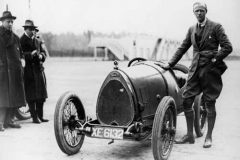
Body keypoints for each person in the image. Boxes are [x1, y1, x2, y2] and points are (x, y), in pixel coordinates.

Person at [161, 2, 232, 148]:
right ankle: (189, 135)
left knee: (209, 102)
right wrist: (170, 64)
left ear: (206, 11)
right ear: (193, 13)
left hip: (210, 70)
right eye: (196, 11)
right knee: (187, 100)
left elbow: (227, 47)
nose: (199, 13)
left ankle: (209, 137)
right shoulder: (192, 29)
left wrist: (215, 58)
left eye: (201, 10)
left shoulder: (216, 27)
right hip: (194, 70)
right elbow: (182, 48)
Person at [0, 11, 26, 131]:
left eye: (12, 22)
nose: (10, 24)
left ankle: (10, 120)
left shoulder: (15, 37)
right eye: (8, 22)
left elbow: (20, 53)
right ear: (2, 22)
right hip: (2, 72)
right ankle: (0, 122)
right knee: (2, 98)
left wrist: (22, 62)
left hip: (14, 72)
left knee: (13, 97)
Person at [20, 20, 48, 124]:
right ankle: (34, 117)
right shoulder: (20, 41)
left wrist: (41, 56)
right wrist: (30, 55)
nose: (33, 31)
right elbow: (19, 54)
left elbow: (43, 53)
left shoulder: (37, 41)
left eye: (33, 29)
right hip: (28, 71)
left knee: (41, 95)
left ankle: (41, 116)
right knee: (31, 96)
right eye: (30, 29)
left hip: (38, 70)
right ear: (25, 29)